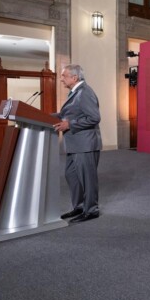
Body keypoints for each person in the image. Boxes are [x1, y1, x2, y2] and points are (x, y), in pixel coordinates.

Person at [54, 64, 102, 223]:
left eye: (63, 76)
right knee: (71, 175)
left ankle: (91, 209)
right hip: (74, 144)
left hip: (85, 144)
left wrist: (70, 125)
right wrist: (39, 115)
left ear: (74, 78)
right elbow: (64, 114)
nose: (61, 79)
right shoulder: (74, 92)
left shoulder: (85, 93)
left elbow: (94, 118)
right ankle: (80, 206)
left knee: (87, 178)